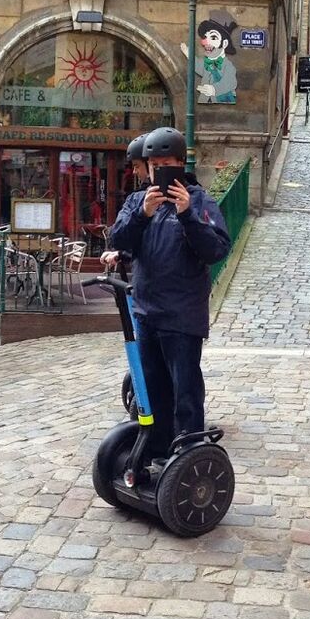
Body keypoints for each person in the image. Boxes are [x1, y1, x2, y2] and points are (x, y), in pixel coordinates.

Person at [102, 126, 231, 461]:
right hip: (146, 312)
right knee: (153, 389)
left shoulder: (201, 201)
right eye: (154, 164)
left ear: (179, 163)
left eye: (167, 164)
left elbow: (216, 251)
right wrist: (143, 215)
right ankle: (158, 452)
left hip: (182, 315)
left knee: (185, 392)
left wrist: (187, 215)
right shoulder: (137, 201)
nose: (159, 171)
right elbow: (120, 239)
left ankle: (188, 455)